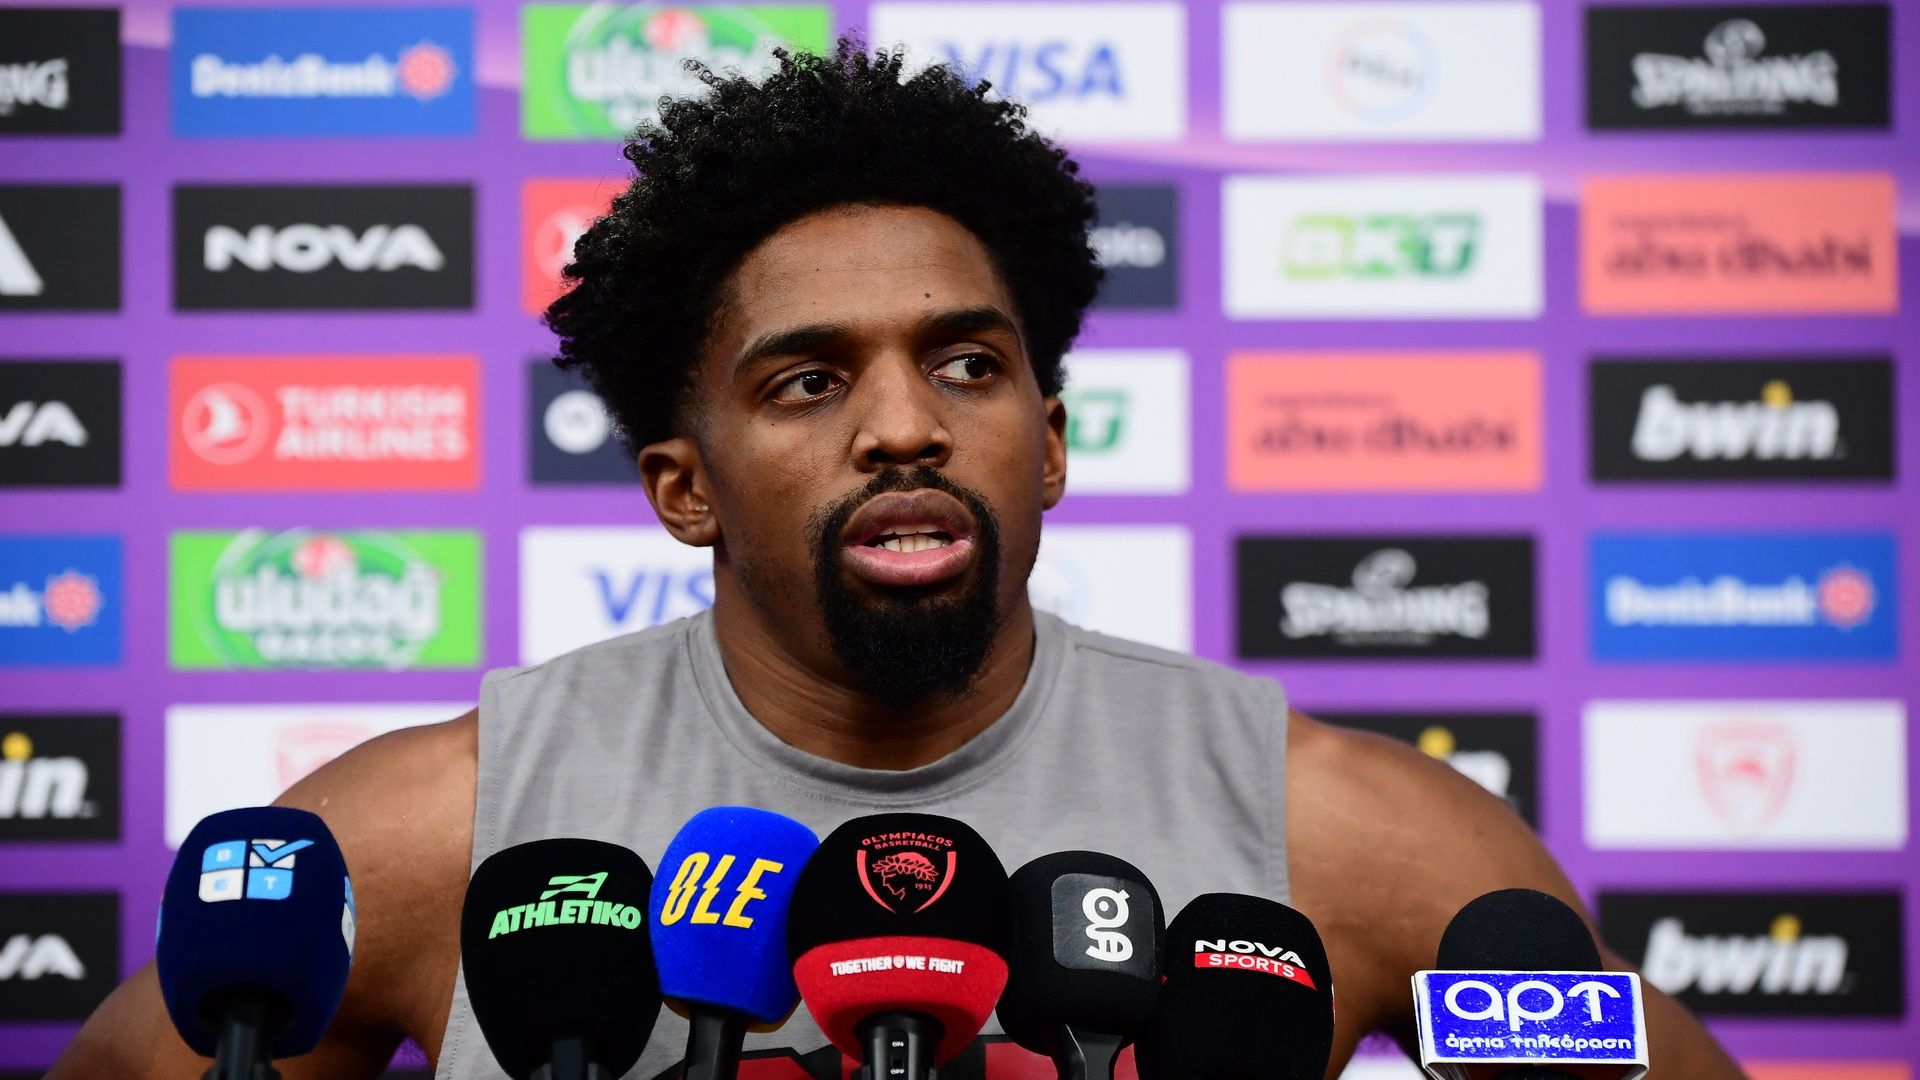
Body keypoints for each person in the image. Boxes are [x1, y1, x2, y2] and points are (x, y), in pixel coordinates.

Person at [54, 41, 1743, 1079]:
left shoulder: (1358, 834)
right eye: (808, 382)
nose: (906, 428)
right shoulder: (442, 828)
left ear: (1051, 442)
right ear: (683, 490)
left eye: (968, 364)